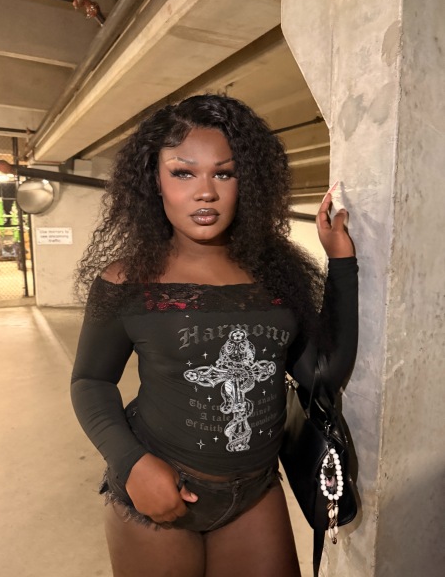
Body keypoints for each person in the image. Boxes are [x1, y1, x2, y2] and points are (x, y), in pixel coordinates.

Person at [71, 94, 358, 577]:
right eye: (184, 173)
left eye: (224, 174)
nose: (205, 192)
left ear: (249, 182)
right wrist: (131, 463)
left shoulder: (278, 276)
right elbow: (91, 381)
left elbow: (323, 373)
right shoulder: (126, 281)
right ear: (154, 180)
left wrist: (342, 263)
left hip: (256, 493)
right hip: (161, 490)